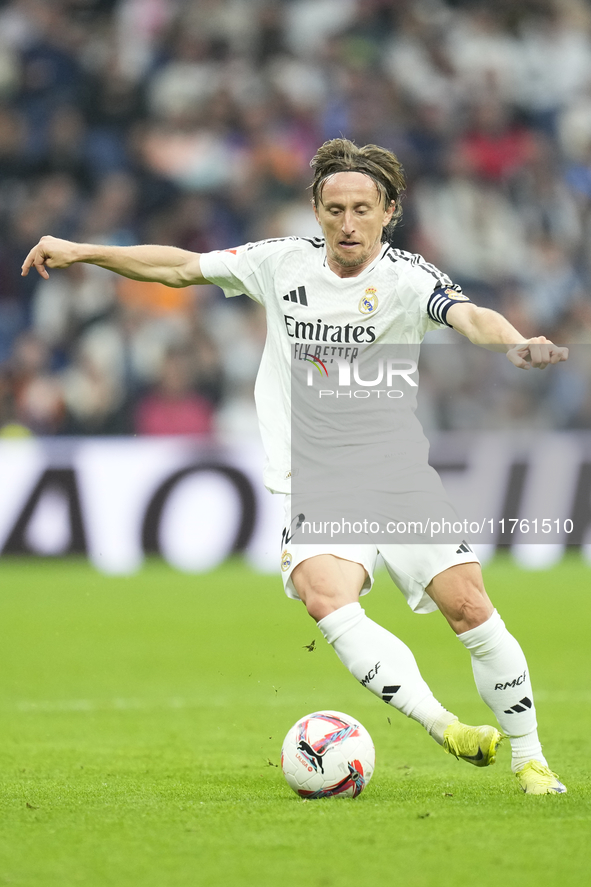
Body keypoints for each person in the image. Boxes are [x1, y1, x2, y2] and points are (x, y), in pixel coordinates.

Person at [22, 138, 568, 795]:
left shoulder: (405, 278)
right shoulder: (279, 263)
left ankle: (529, 757)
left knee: (469, 608)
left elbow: (469, 315)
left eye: (361, 209)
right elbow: (179, 269)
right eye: (334, 208)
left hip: (393, 472)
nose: (346, 222)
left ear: (387, 211)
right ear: (315, 207)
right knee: (324, 597)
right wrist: (86, 251)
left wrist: (514, 344)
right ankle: (443, 724)